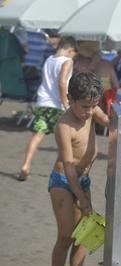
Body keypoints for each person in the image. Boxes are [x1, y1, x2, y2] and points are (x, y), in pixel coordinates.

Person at [46, 72, 104, 266]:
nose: (89, 112)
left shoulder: (91, 109)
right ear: (70, 98)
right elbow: (69, 167)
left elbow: (111, 122)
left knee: (84, 236)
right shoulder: (64, 125)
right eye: (84, 107)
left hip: (83, 180)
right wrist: (82, 198)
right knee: (65, 236)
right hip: (63, 181)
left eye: (94, 106)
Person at [17, 36, 77, 181]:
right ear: (70, 50)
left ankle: (25, 166)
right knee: (64, 141)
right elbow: (62, 83)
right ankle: (59, 172)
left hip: (43, 103)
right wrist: (66, 104)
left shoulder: (49, 59)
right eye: (74, 53)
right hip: (58, 106)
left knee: (36, 136)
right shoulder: (67, 61)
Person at [74, 40, 120, 114]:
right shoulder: (106, 65)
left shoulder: (78, 65)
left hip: (84, 105)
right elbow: (116, 86)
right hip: (104, 104)